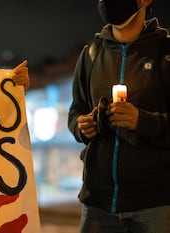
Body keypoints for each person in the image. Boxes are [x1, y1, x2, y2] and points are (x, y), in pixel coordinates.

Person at [68, 0, 170, 232]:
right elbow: (76, 112)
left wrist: (141, 121)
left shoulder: (165, 52)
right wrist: (81, 126)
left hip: (157, 204)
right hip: (98, 204)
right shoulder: (91, 54)